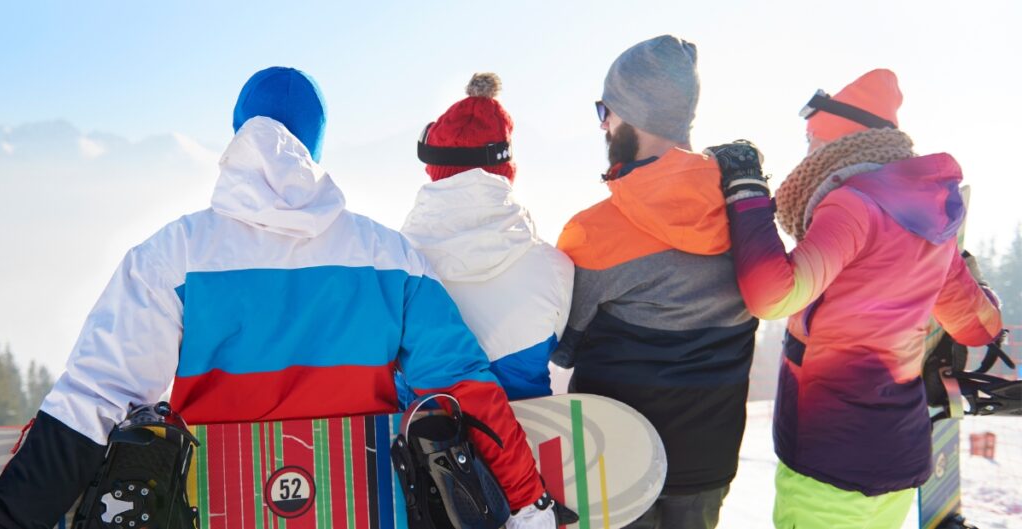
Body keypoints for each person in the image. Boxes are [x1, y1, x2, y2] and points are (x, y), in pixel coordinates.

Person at [0, 66, 558, 529]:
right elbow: (463, 384)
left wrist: (16, 512)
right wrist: (527, 500)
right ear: (316, 142)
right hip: (371, 510)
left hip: (218, 510)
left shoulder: (171, 256)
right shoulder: (389, 255)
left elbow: (92, 398)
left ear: (237, 132)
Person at [714, 69, 1004, 529]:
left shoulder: (853, 204)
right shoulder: (931, 222)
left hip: (828, 460)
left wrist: (746, 193)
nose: (806, 152)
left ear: (837, 141)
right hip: (897, 457)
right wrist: (976, 279)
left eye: (811, 140)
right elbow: (976, 326)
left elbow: (774, 296)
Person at [551, 36, 758, 529]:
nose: (602, 122)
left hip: (617, 461)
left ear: (633, 112)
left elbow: (563, 348)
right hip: (711, 459)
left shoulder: (592, 230)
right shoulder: (743, 213)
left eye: (606, 108)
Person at [398, 72, 574, 403]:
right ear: (505, 169)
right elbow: (562, 346)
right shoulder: (555, 267)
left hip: (422, 443)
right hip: (528, 440)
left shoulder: (396, 264)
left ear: (433, 170)